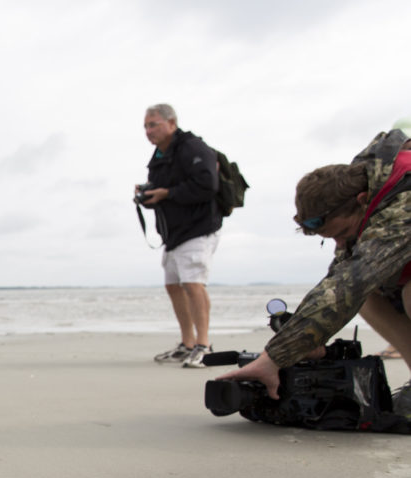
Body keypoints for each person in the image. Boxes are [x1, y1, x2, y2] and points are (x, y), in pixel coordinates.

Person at [219, 128, 411, 414]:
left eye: (343, 232)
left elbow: (352, 282)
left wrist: (273, 358)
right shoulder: (366, 187)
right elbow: (340, 280)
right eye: (331, 238)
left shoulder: (403, 198)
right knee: (368, 297)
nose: (341, 244)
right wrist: (308, 341)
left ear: (361, 201)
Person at [139, 104, 222, 368]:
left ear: (171, 123)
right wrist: (148, 197)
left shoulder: (192, 147)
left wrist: (168, 194)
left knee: (193, 283)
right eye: (146, 126)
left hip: (199, 227)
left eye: (153, 124)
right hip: (174, 233)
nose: (149, 131)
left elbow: (208, 184)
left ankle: (204, 345)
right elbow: (163, 191)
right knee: (173, 285)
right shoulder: (159, 156)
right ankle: (187, 343)